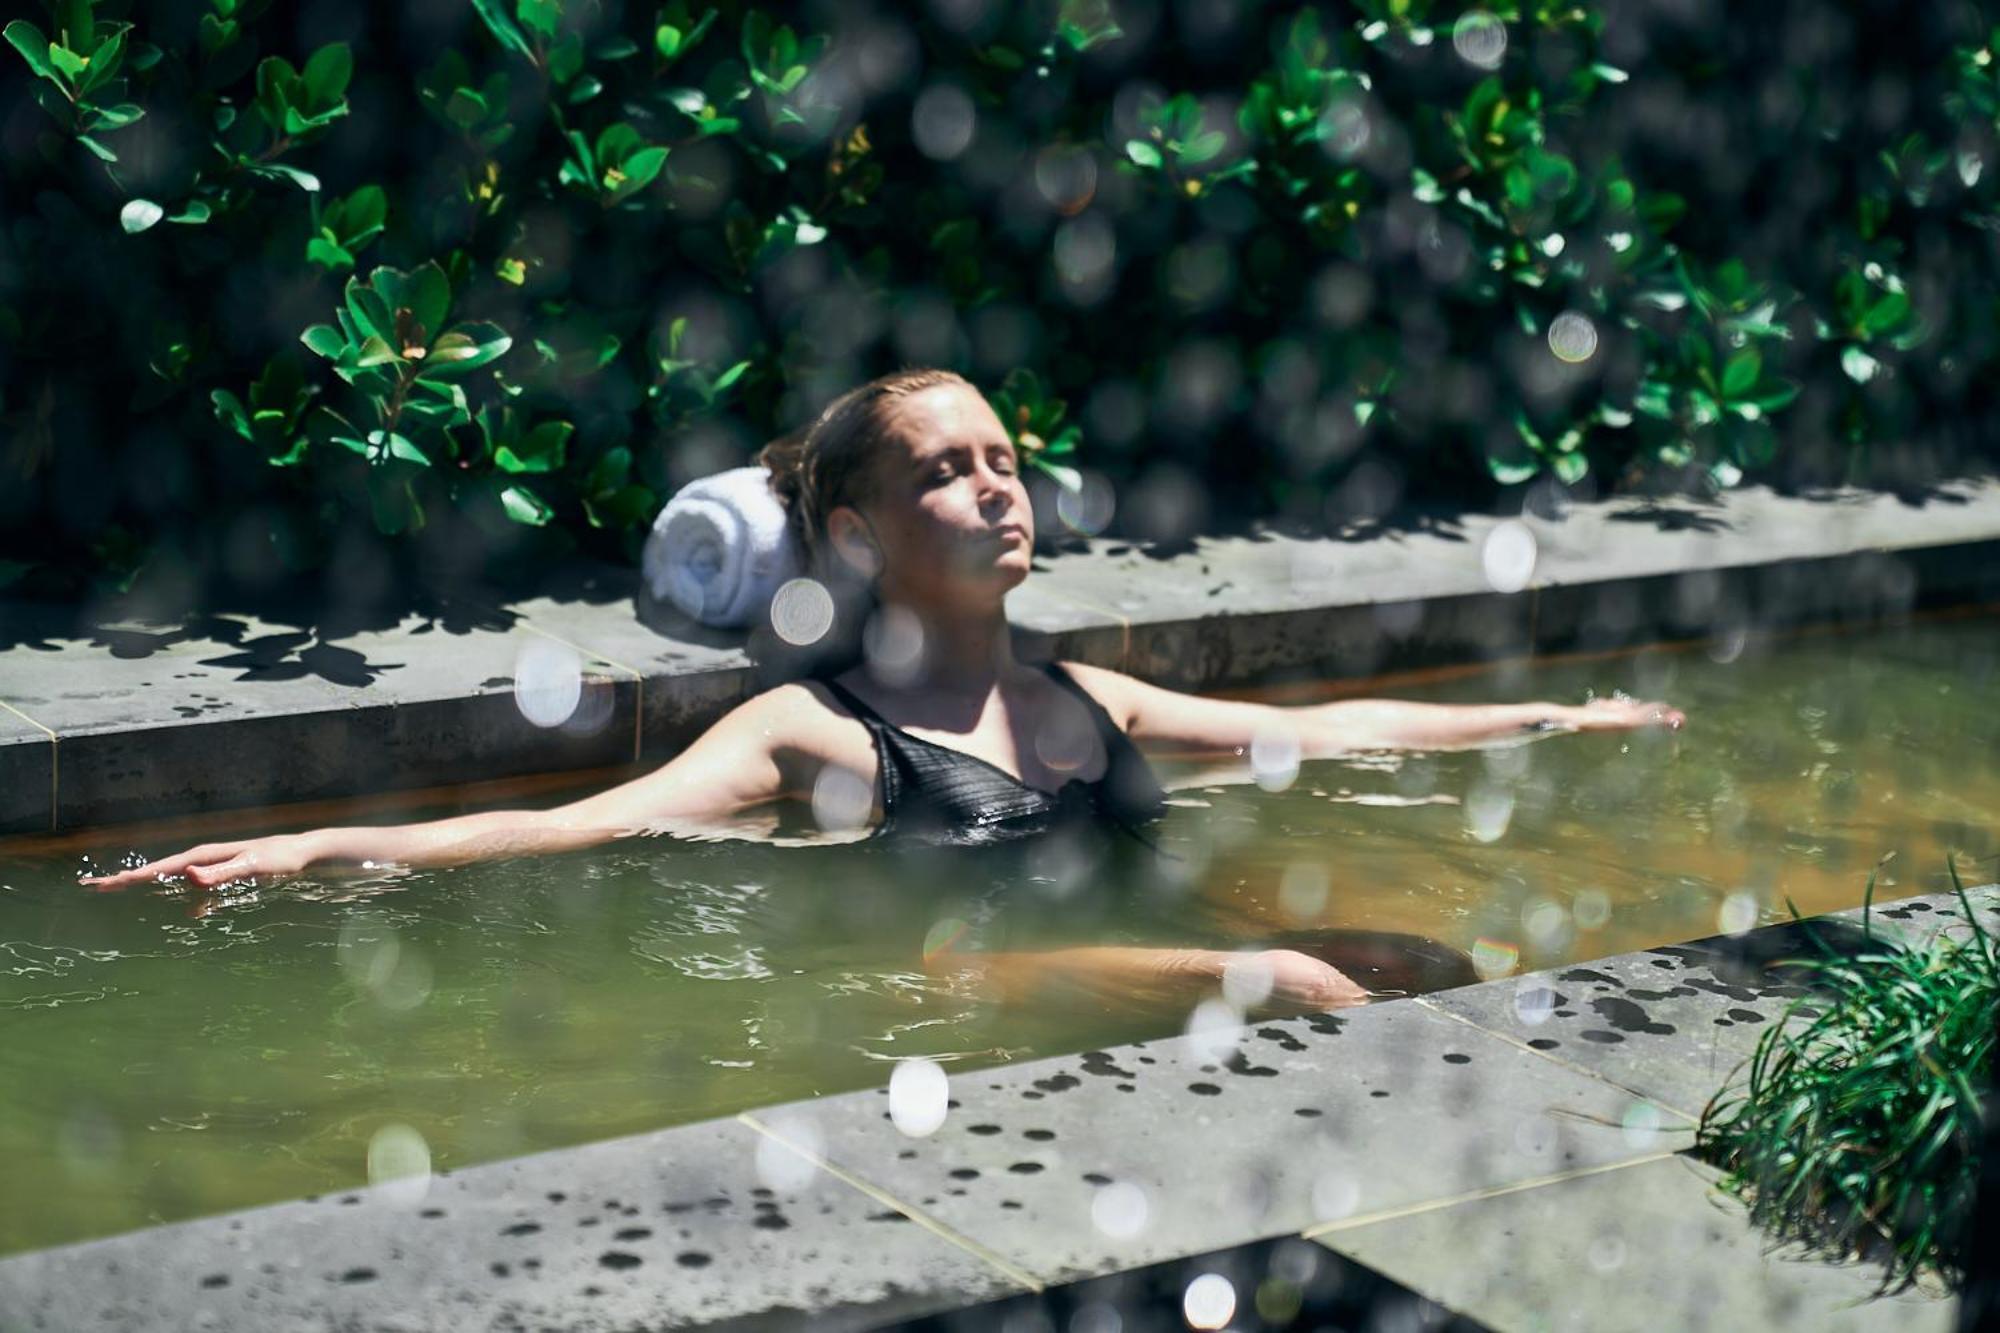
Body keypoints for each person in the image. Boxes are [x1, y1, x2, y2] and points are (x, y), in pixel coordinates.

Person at [81, 368, 1685, 1008]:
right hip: (939, 995)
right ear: (854, 532)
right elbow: (574, 827)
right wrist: (299, 851)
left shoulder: (1086, 698)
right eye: (946, 472)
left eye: (1006, 460)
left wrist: (1551, 718)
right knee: (1316, 982)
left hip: (1129, 990)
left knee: (1424, 958)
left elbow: (1328, 733)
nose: (998, 489)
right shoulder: (813, 731)